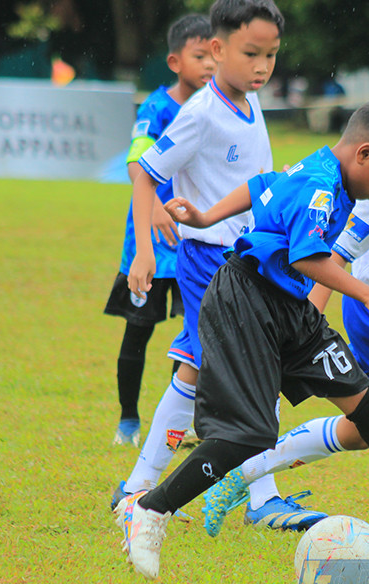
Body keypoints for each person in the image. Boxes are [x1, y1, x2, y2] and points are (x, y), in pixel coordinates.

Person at [116, 96, 369, 580]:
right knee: (250, 434)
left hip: (289, 308)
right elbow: (309, 259)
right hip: (247, 302)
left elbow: (262, 186)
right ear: (365, 155)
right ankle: (151, 510)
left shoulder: (323, 167)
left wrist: (206, 216)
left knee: (366, 409)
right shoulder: (322, 186)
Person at [110, 0, 321, 530]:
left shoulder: (251, 106)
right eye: (251, 53)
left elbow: (259, 185)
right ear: (217, 49)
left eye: (271, 55)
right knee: (203, 367)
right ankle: (139, 490)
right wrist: (142, 250)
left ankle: (254, 497)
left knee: (254, 366)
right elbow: (146, 171)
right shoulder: (201, 113)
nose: (262, 66)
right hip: (207, 261)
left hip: (247, 259)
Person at [103, 14, 214, 447]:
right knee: (139, 330)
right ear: (175, 61)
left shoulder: (213, 108)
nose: (208, 64)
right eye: (198, 55)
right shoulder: (156, 108)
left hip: (194, 241)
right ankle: (128, 421)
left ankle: (178, 421)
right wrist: (153, 211)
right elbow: (137, 164)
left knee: (194, 333)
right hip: (151, 243)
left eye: (213, 56)